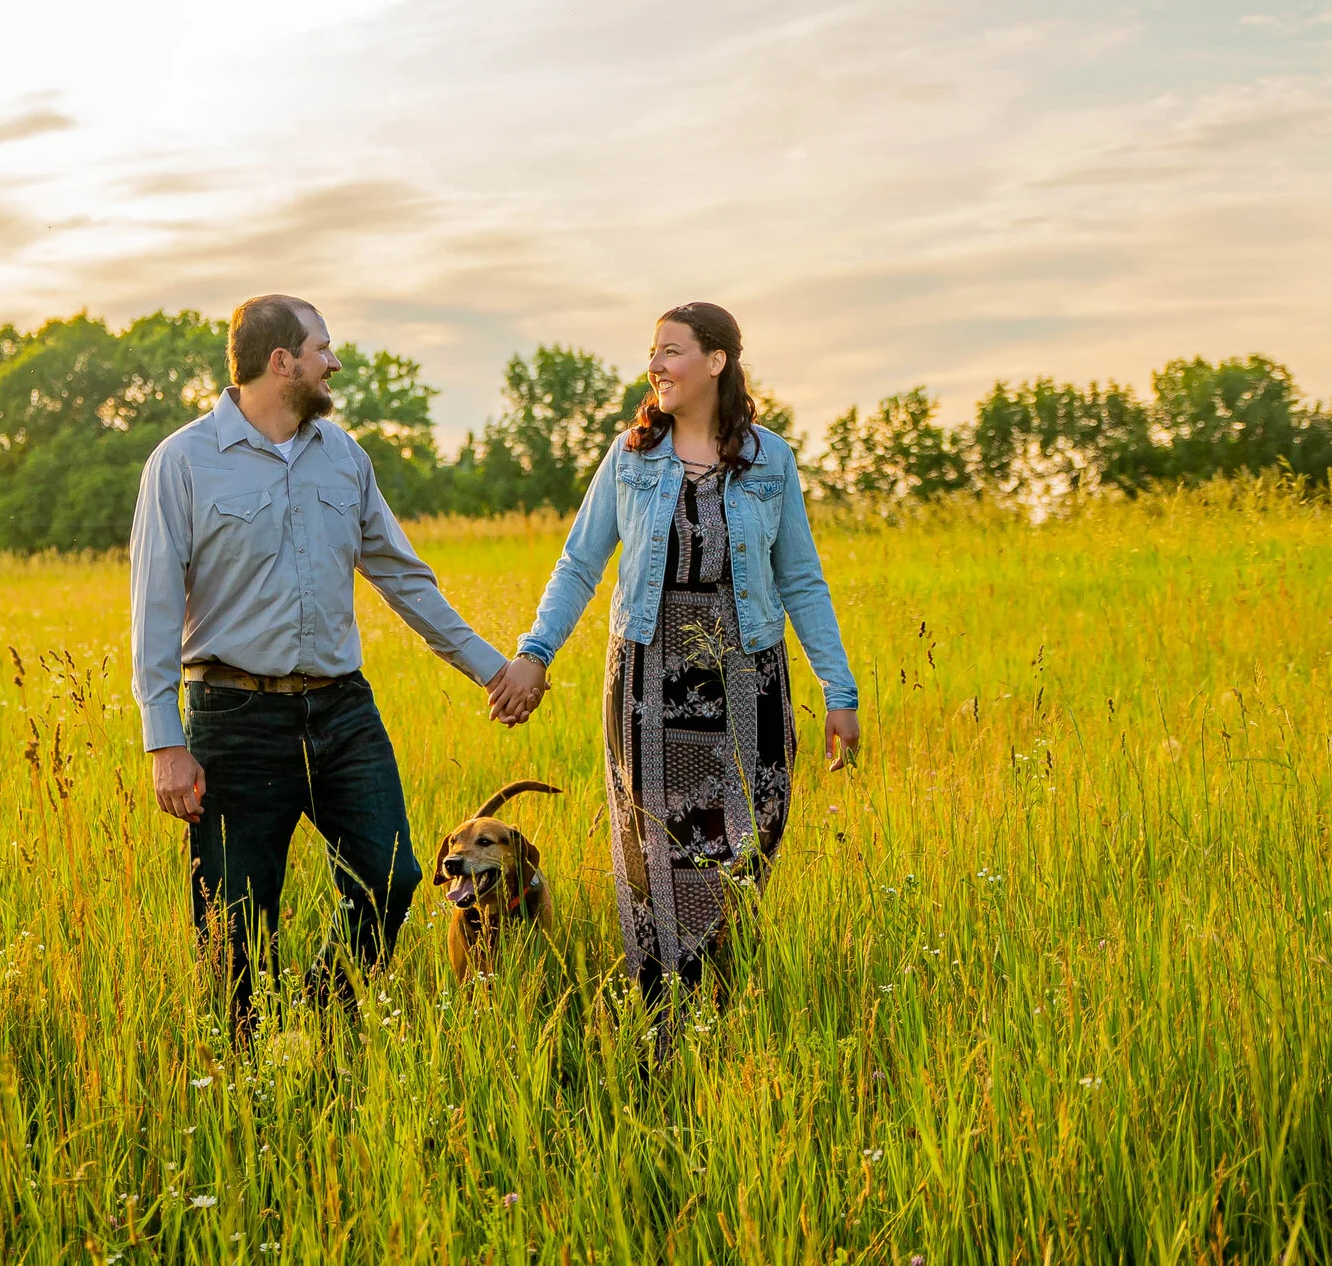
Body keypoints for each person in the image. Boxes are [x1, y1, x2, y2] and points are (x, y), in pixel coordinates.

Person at [130, 294, 525, 1036]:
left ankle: (321, 1017)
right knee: (234, 921)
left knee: (398, 875)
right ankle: (249, 1073)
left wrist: (491, 668)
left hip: (342, 711)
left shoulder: (343, 456)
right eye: (322, 349)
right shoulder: (181, 463)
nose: (333, 362)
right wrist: (164, 740)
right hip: (233, 716)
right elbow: (152, 609)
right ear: (281, 362)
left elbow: (403, 577)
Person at [490, 301, 861, 1007]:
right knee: (658, 854)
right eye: (653, 351)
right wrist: (535, 651)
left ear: (716, 360)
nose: (655, 364)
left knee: (747, 843)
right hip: (648, 685)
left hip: (748, 677)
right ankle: (665, 1017)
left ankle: (719, 994)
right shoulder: (631, 456)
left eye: (672, 350)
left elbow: (801, 578)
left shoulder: (769, 459)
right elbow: (578, 563)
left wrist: (838, 690)